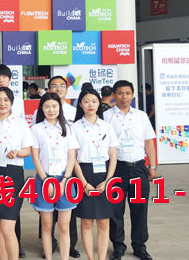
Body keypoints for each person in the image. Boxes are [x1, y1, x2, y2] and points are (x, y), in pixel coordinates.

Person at [103, 81, 157, 260]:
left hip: (139, 169)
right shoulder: (106, 117)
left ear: (133, 95)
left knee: (139, 208)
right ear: (113, 95)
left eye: (127, 93)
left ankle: (139, 246)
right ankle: (118, 246)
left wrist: (152, 166)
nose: (124, 96)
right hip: (116, 169)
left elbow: (149, 142)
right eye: (120, 93)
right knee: (115, 210)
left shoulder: (141, 116)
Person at [0, 87, 33, 260]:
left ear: (12, 102)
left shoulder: (21, 124)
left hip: (13, 175)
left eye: (6, 100)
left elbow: (28, 150)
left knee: (7, 227)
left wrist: (17, 153)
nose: (2, 103)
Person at [32, 76, 78, 258]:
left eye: (54, 106)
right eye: (47, 106)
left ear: (60, 108)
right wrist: (46, 181)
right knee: (47, 225)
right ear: (42, 109)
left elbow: (72, 157)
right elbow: (36, 158)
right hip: (44, 179)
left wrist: (64, 181)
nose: (51, 110)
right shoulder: (36, 129)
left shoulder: (68, 128)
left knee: (64, 226)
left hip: (65, 180)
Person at [72, 89, 118, 260]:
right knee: (86, 221)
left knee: (104, 221)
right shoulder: (74, 128)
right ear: (80, 104)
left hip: (104, 175)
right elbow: (73, 158)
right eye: (86, 101)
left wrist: (108, 180)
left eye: (94, 101)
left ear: (99, 103)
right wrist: (84, 183)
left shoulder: (107, 127)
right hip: (84, 174)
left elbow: (113, 156)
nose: (90, 104)